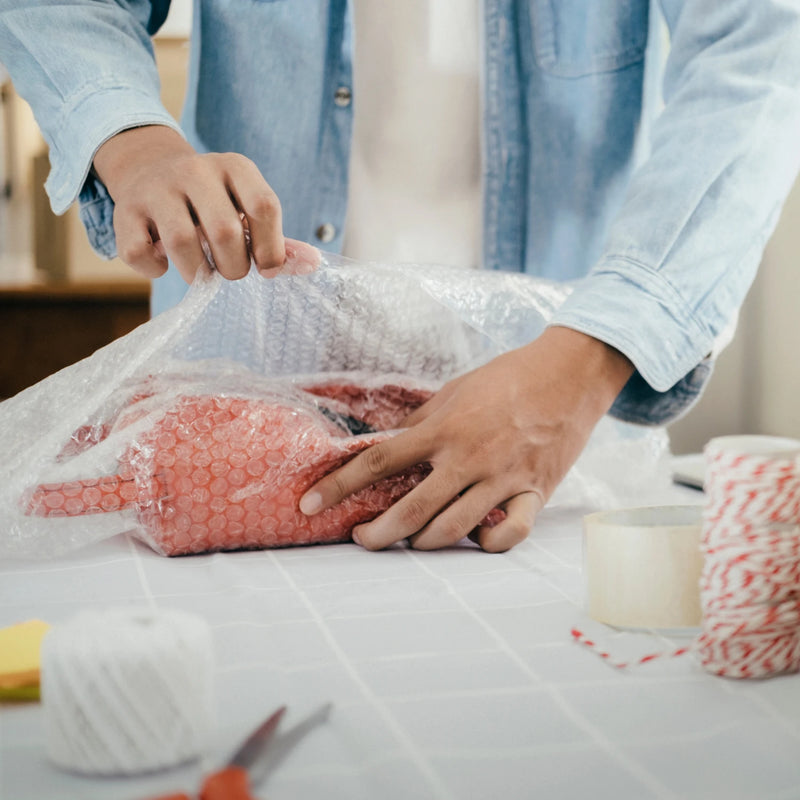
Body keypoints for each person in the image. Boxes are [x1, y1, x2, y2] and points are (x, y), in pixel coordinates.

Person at [2, 1, 799, 553]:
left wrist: (589, 359)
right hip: (235, 409)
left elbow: (760, 50)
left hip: (550, 418)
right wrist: (134, 139)